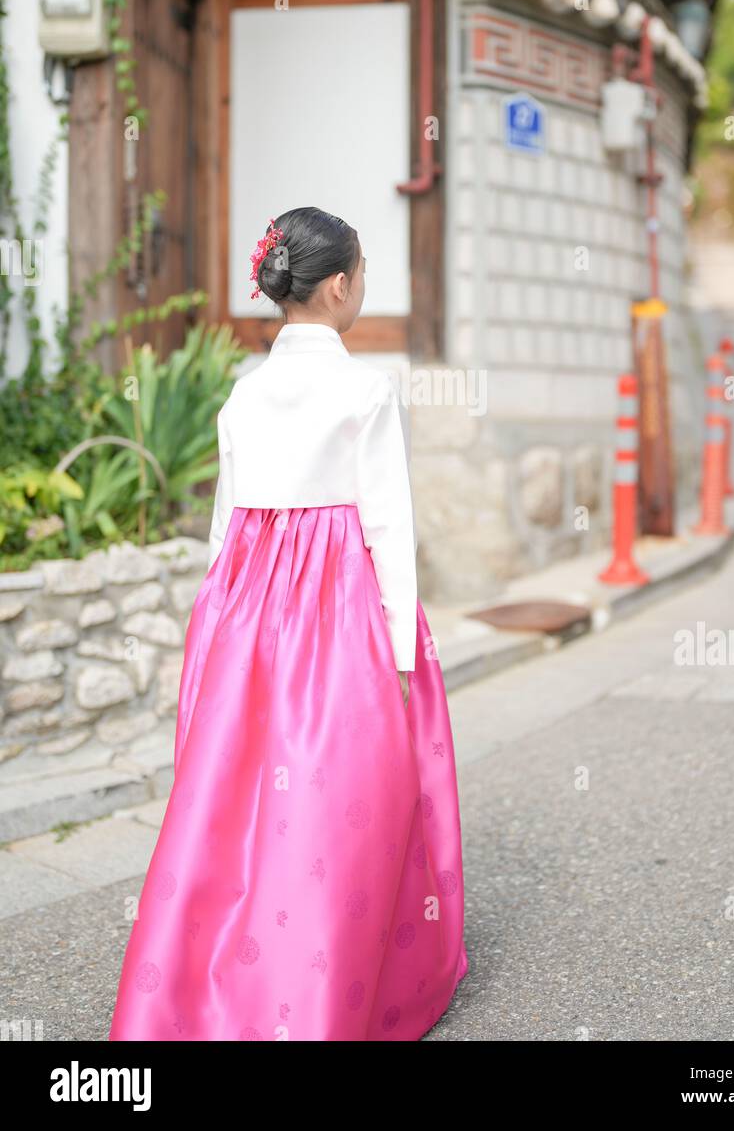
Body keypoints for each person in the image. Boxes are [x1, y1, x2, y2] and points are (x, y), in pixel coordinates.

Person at [108, 206, 469, 1041]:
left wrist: (212, 639)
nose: (362, 285)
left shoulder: (245, 393)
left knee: (238, 794)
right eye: (363, 272)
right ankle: (328, 982)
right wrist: (401, 647)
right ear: (340, 286)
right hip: (337, 610)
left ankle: (211, 982)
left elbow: (224, 530)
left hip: (247, 611)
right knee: (338, 790)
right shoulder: (365, 390)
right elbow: (385, 521)